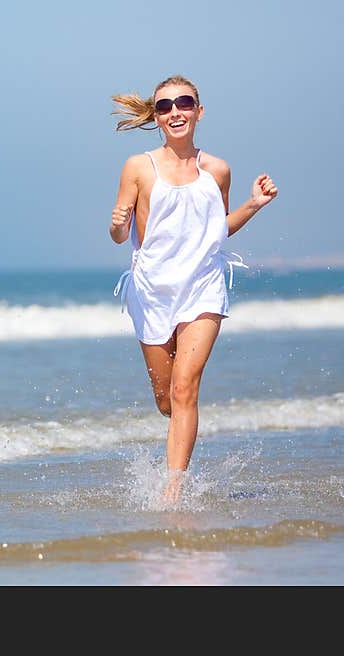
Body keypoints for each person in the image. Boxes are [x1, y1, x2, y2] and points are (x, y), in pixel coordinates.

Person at [108, 75, 277, 502]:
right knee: (167, 400)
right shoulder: (138, 167)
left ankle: (172, 493)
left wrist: (253, 205)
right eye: (164, 107)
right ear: (157, 116)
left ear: (199, 111)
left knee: (186, 389)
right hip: (150, 293)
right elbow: (120, 233)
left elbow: (217, 232)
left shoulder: (217, 170)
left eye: (184, 103)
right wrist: (117, 227)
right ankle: (178, 440)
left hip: (203, 287)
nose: (175, 112)